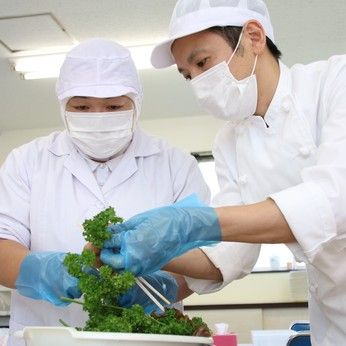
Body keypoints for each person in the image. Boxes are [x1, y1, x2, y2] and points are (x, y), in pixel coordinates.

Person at [99, 1, 346, 345]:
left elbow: (331, 202)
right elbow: (231, 253)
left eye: (202, 63)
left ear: (254, 37)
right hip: (334, 322)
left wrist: (189, 223)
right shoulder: (229, 142)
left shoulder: (335, 82)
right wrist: (157, 254)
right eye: (188, 75)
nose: (198, 83)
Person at [0, 38, 211, 346]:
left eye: (113, 106)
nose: (98, 116)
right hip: (47, 337)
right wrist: (56, 273)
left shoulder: (176, 165)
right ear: (64, 107)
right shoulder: (26, 162)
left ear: (135, 105)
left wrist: (159, 287)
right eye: (82, 106)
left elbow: (202, 257)